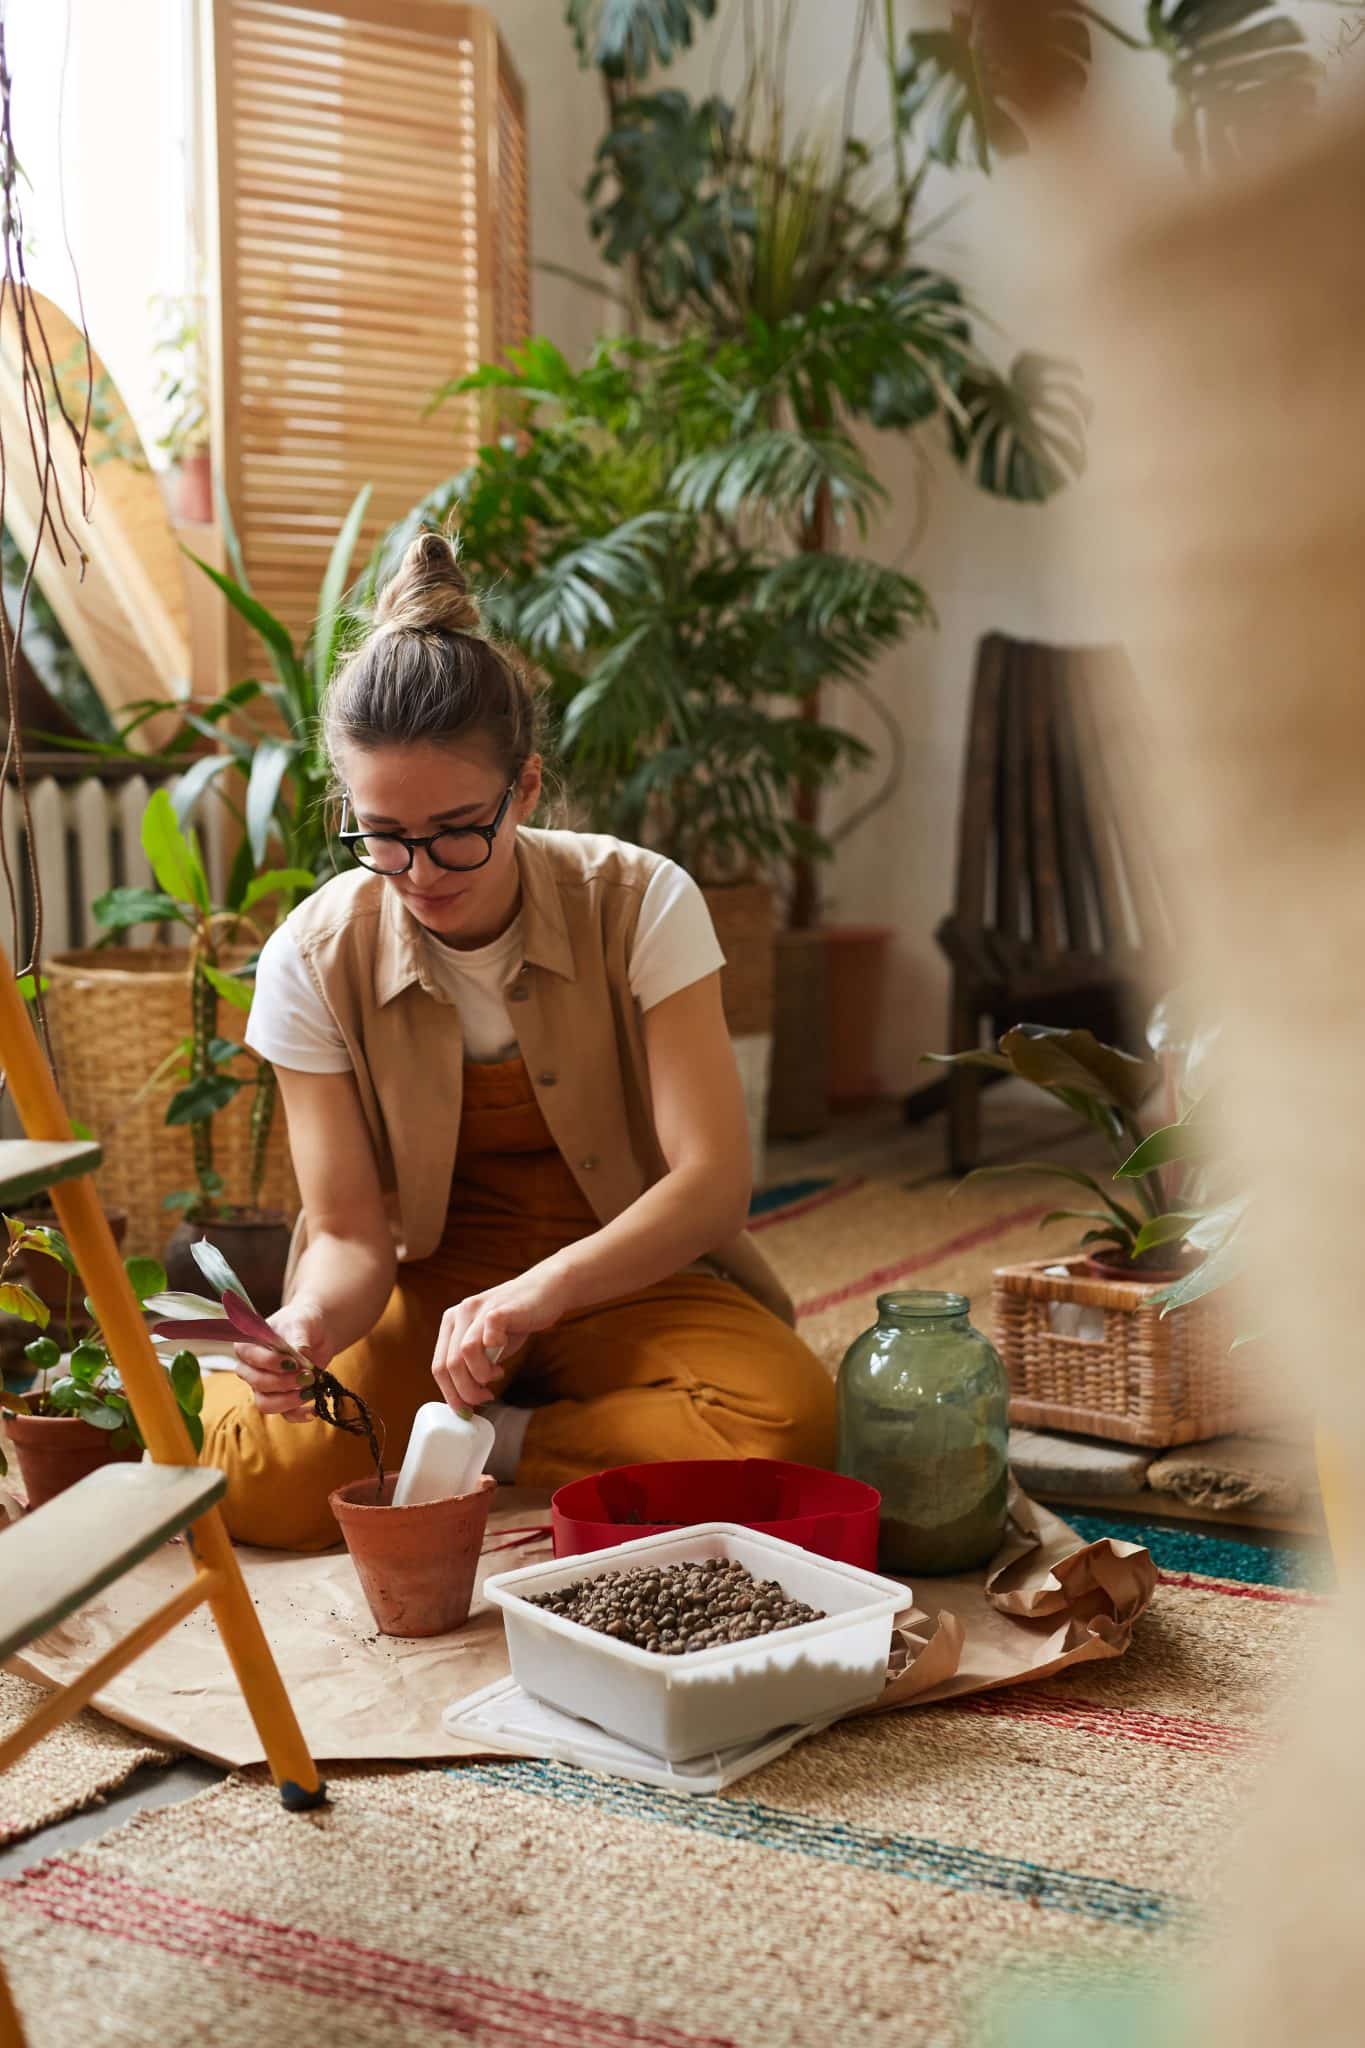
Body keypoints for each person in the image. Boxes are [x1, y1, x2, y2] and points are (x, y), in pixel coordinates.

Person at [201, 531, 835, 1548]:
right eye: (382, 834)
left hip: (623, 1264)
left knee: (788, 1421)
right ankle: (520, 1442)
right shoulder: (310, 955)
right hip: (422, 1278)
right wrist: (308, 1326)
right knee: (261, 1476)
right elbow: (354, 1234)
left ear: (527, 788)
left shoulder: (640, 901)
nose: (420, 869)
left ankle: (492, 1440)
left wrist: (537, 1297)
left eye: (458, 827)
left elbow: (711, 1183)